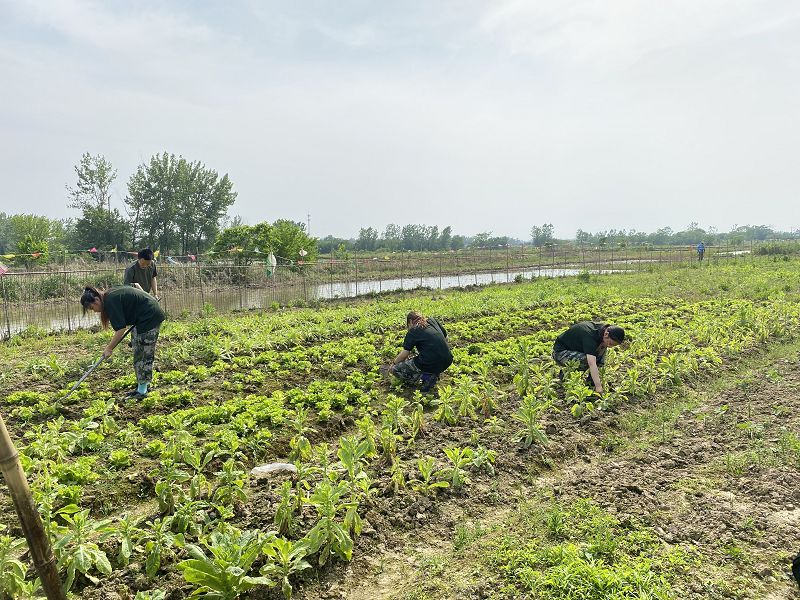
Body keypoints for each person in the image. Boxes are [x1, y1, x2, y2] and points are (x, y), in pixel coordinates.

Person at [80, 285, 165, 400]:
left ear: (96, 300)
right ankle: (142, 386)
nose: (94, 311)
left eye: (91, 307)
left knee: (143, 355)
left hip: (149, 317)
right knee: (138, 351)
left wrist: (109, 348)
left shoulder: (110, 301)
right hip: (142, 319)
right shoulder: (108, 297)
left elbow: (121, 329)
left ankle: (142, 391)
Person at [552, 321, 625, 394]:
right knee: (587, 361)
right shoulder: (590, 335)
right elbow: (592, 363)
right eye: (610, 343)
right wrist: (599, 387)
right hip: (560, 353)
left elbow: (599, 358)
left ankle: (591, 383)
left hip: (577, 349)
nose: (610, 346)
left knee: (601, 357)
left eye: (613, 345)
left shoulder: (604, 330)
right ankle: (565, 374)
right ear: (606, 334)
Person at [389, 311, 453, 393]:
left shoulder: (414, 330)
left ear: (410, 322)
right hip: (447, 360)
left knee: (396, 369)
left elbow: (404, 354)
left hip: (430, 362)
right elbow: (446, 338)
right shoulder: (432, 321)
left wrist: (393, 364)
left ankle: (423, 378)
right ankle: (430, 377)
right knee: (425, 363)